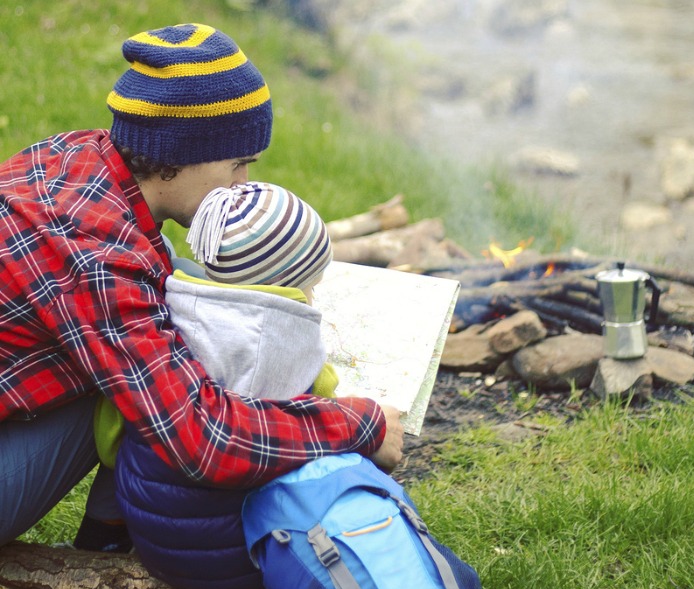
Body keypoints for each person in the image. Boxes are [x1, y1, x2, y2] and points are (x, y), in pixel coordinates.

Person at [0, 23, 403, 553]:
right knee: (164, 368)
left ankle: (109, 532)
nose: (242, 184)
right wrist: (360, 424)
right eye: (237, 165)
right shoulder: (101, 261)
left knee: (174, 290)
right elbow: (203, 440)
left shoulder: (72, 156)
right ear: (177, 154)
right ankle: (110, 540)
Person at [99, 181, 342, 589]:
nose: (313, 295)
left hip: (151, 538)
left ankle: (102, 533)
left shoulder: (164, 314)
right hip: (239, 555)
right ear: (285, 283)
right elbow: (322, 419)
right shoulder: (296, 344)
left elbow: (108, 435)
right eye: (311, 285)